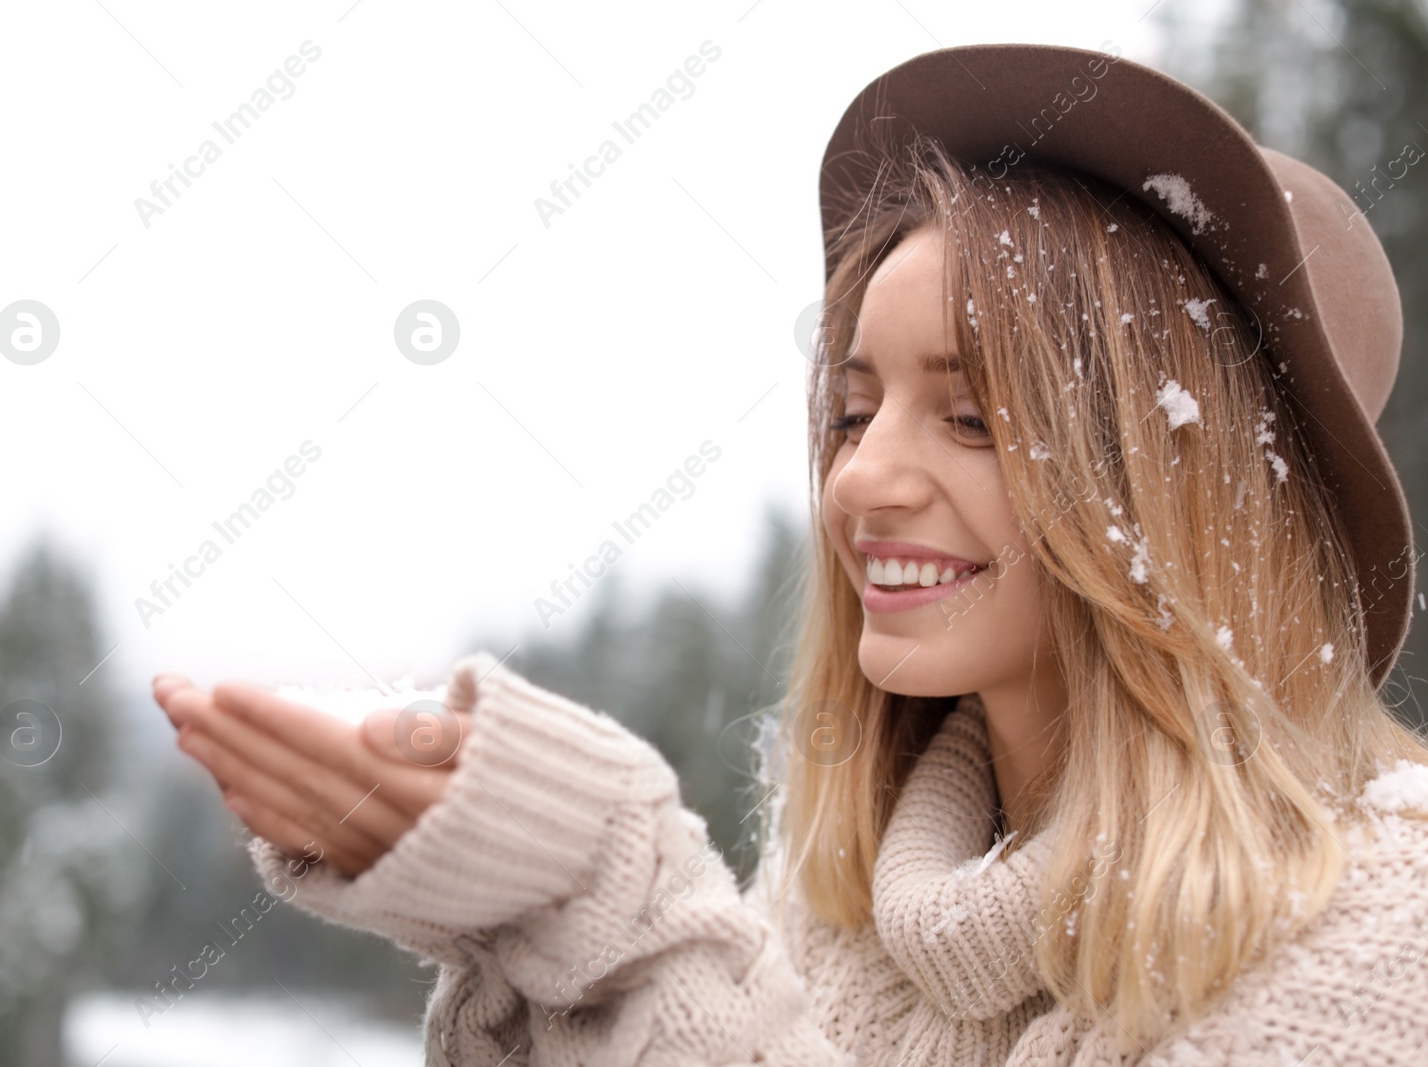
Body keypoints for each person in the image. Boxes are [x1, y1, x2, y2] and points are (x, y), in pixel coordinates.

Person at [151, 44, 1428, 1066]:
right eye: (853, 411)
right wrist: (529, 937)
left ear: (1181, 509)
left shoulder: (1380, 938)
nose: (859, 479)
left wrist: (621, 900)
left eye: (976, 416)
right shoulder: (829, 918)